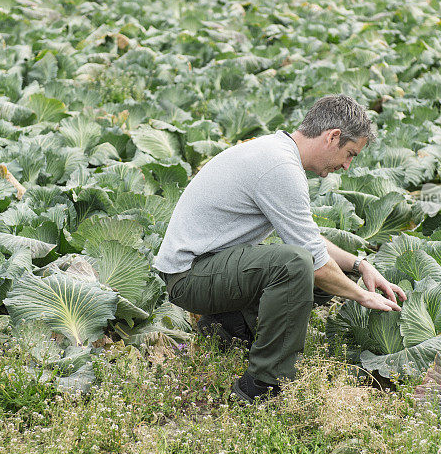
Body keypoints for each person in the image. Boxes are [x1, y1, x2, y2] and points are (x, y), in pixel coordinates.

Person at [153, 94, 406, 403]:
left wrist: (359, 266)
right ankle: (260, 386)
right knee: (297, 265)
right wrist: (361, 296)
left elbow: (308, 238)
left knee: (320, 268)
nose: (347, 165)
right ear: (333, 137)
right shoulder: (278, 167)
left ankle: (229, 327)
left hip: (212, 267)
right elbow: (310, 258)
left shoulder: (278, 153)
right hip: (190, 277)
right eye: (350, 154)